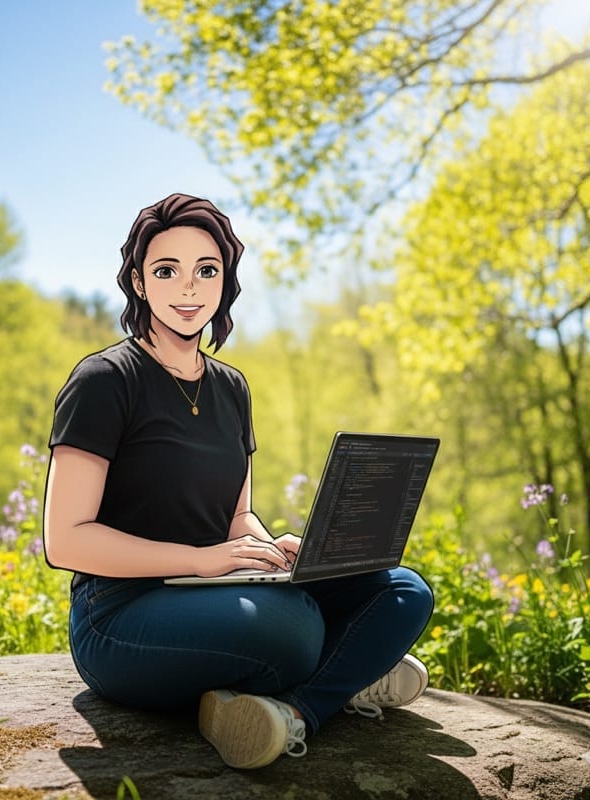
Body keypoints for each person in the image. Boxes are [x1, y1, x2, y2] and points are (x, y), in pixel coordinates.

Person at [43, 193, 434, 769]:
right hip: (120, 616)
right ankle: (348, 674)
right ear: (138, 281)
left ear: (226, 283)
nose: (189, 288)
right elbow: (66, 540)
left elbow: (237, 517)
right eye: (166, 270)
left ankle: (294, 713)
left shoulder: (232, 388)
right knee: (293, 630)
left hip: (219, 590)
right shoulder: (103, 380)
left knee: (402, 590)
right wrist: (201, 562)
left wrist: (271, 549)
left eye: (208, 271)